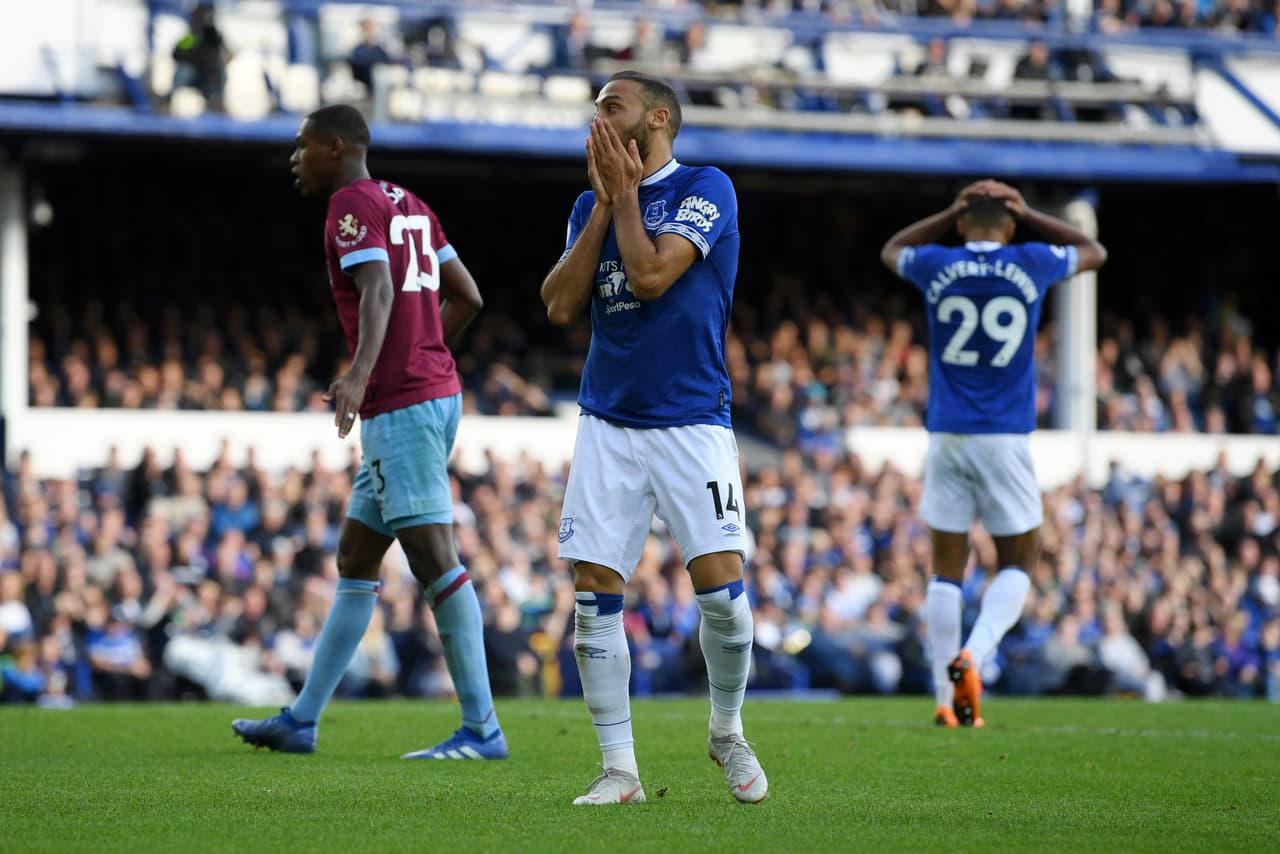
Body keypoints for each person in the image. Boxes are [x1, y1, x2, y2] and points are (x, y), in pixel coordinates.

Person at [232, 104, 505, 760]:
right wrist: (424, 354)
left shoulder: (349, 204)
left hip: (403, 405)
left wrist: (363, 372)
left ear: (335, 147)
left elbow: (378, 289)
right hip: (429, 394)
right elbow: (468, 296)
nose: (296, 159)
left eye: (303, 146)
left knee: (434, 560)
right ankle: (301, 721)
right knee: (356, 557)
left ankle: (481, 729)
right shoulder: (411, 203)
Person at [540, 71, 766, 805]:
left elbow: (650, 275)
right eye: (596, 108)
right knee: (593, 597)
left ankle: (726, 730)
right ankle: (620, 770)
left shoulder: (707, 186)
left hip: (693, 419)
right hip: (608, 419)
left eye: (613, 107)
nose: (599, 121)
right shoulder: (590, 204)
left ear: (658, 118)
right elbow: (559, 305)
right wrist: (606, 204)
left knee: (724, 597)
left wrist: (626, 196)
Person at [879, 179, 1107, 727]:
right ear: (1009, 226)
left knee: (946, 570)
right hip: (1005, 435)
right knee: (1020, 561)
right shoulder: (1031, 259)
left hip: (946, 434)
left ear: (962, 224)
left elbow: (891, 250)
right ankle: (974, 656)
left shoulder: (936, 262)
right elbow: (1094, 251)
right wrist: (1030, 214)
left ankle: (944, 697)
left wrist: (945, 213)